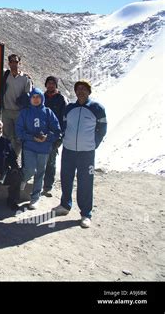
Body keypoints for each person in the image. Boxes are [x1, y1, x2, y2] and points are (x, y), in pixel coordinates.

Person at [52, 80, 107, 228]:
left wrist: (93, 144)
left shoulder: (97, 108)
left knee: (85, 182)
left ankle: (86, 214)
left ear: (89, 91)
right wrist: (63, 139)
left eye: (84, 89)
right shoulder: (69, 108)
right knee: (66, 178)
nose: (81, 91)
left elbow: (102, 130)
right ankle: (65, 205)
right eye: (78, 89)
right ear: (75, 92)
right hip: (69, 150)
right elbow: (63, 126)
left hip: (86, 153)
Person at [16, 88, 61, 210]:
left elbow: (57, 130)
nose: (36, 100)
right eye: (33, 97)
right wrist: (31, 137)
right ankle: (24, 179)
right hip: (29, 146)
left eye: (38, 97)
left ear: (42, 98)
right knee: (30, 169)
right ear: (30, 99)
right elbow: (19, 131)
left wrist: (47, 137)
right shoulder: (25, 112)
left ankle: (35, 198)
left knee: (40, 173)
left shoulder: (48, 112)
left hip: (44, 148)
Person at [1, 54, 33, 156]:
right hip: (6, 111)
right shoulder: (5, 75)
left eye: (16, 61)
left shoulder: (25, 79)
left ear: (20, 63)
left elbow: (29, 95)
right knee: (6, 136)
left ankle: (15, 158)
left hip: (19, 112)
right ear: (9, 63)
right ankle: (6, 159)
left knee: (18, 137)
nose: (14, 64)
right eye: (12, 61)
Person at [42, 76, 69, 197]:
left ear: (56, 85)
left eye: (53, 83)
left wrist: (60, 137)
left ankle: (47, 186)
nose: (50, 85)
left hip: (54, 135)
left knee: (51, 161)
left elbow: (65, 119)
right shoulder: (41, 97)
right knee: (39, 160)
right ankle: (38, 184)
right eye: (49, 83)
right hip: (41, 133)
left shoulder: (62, 99)